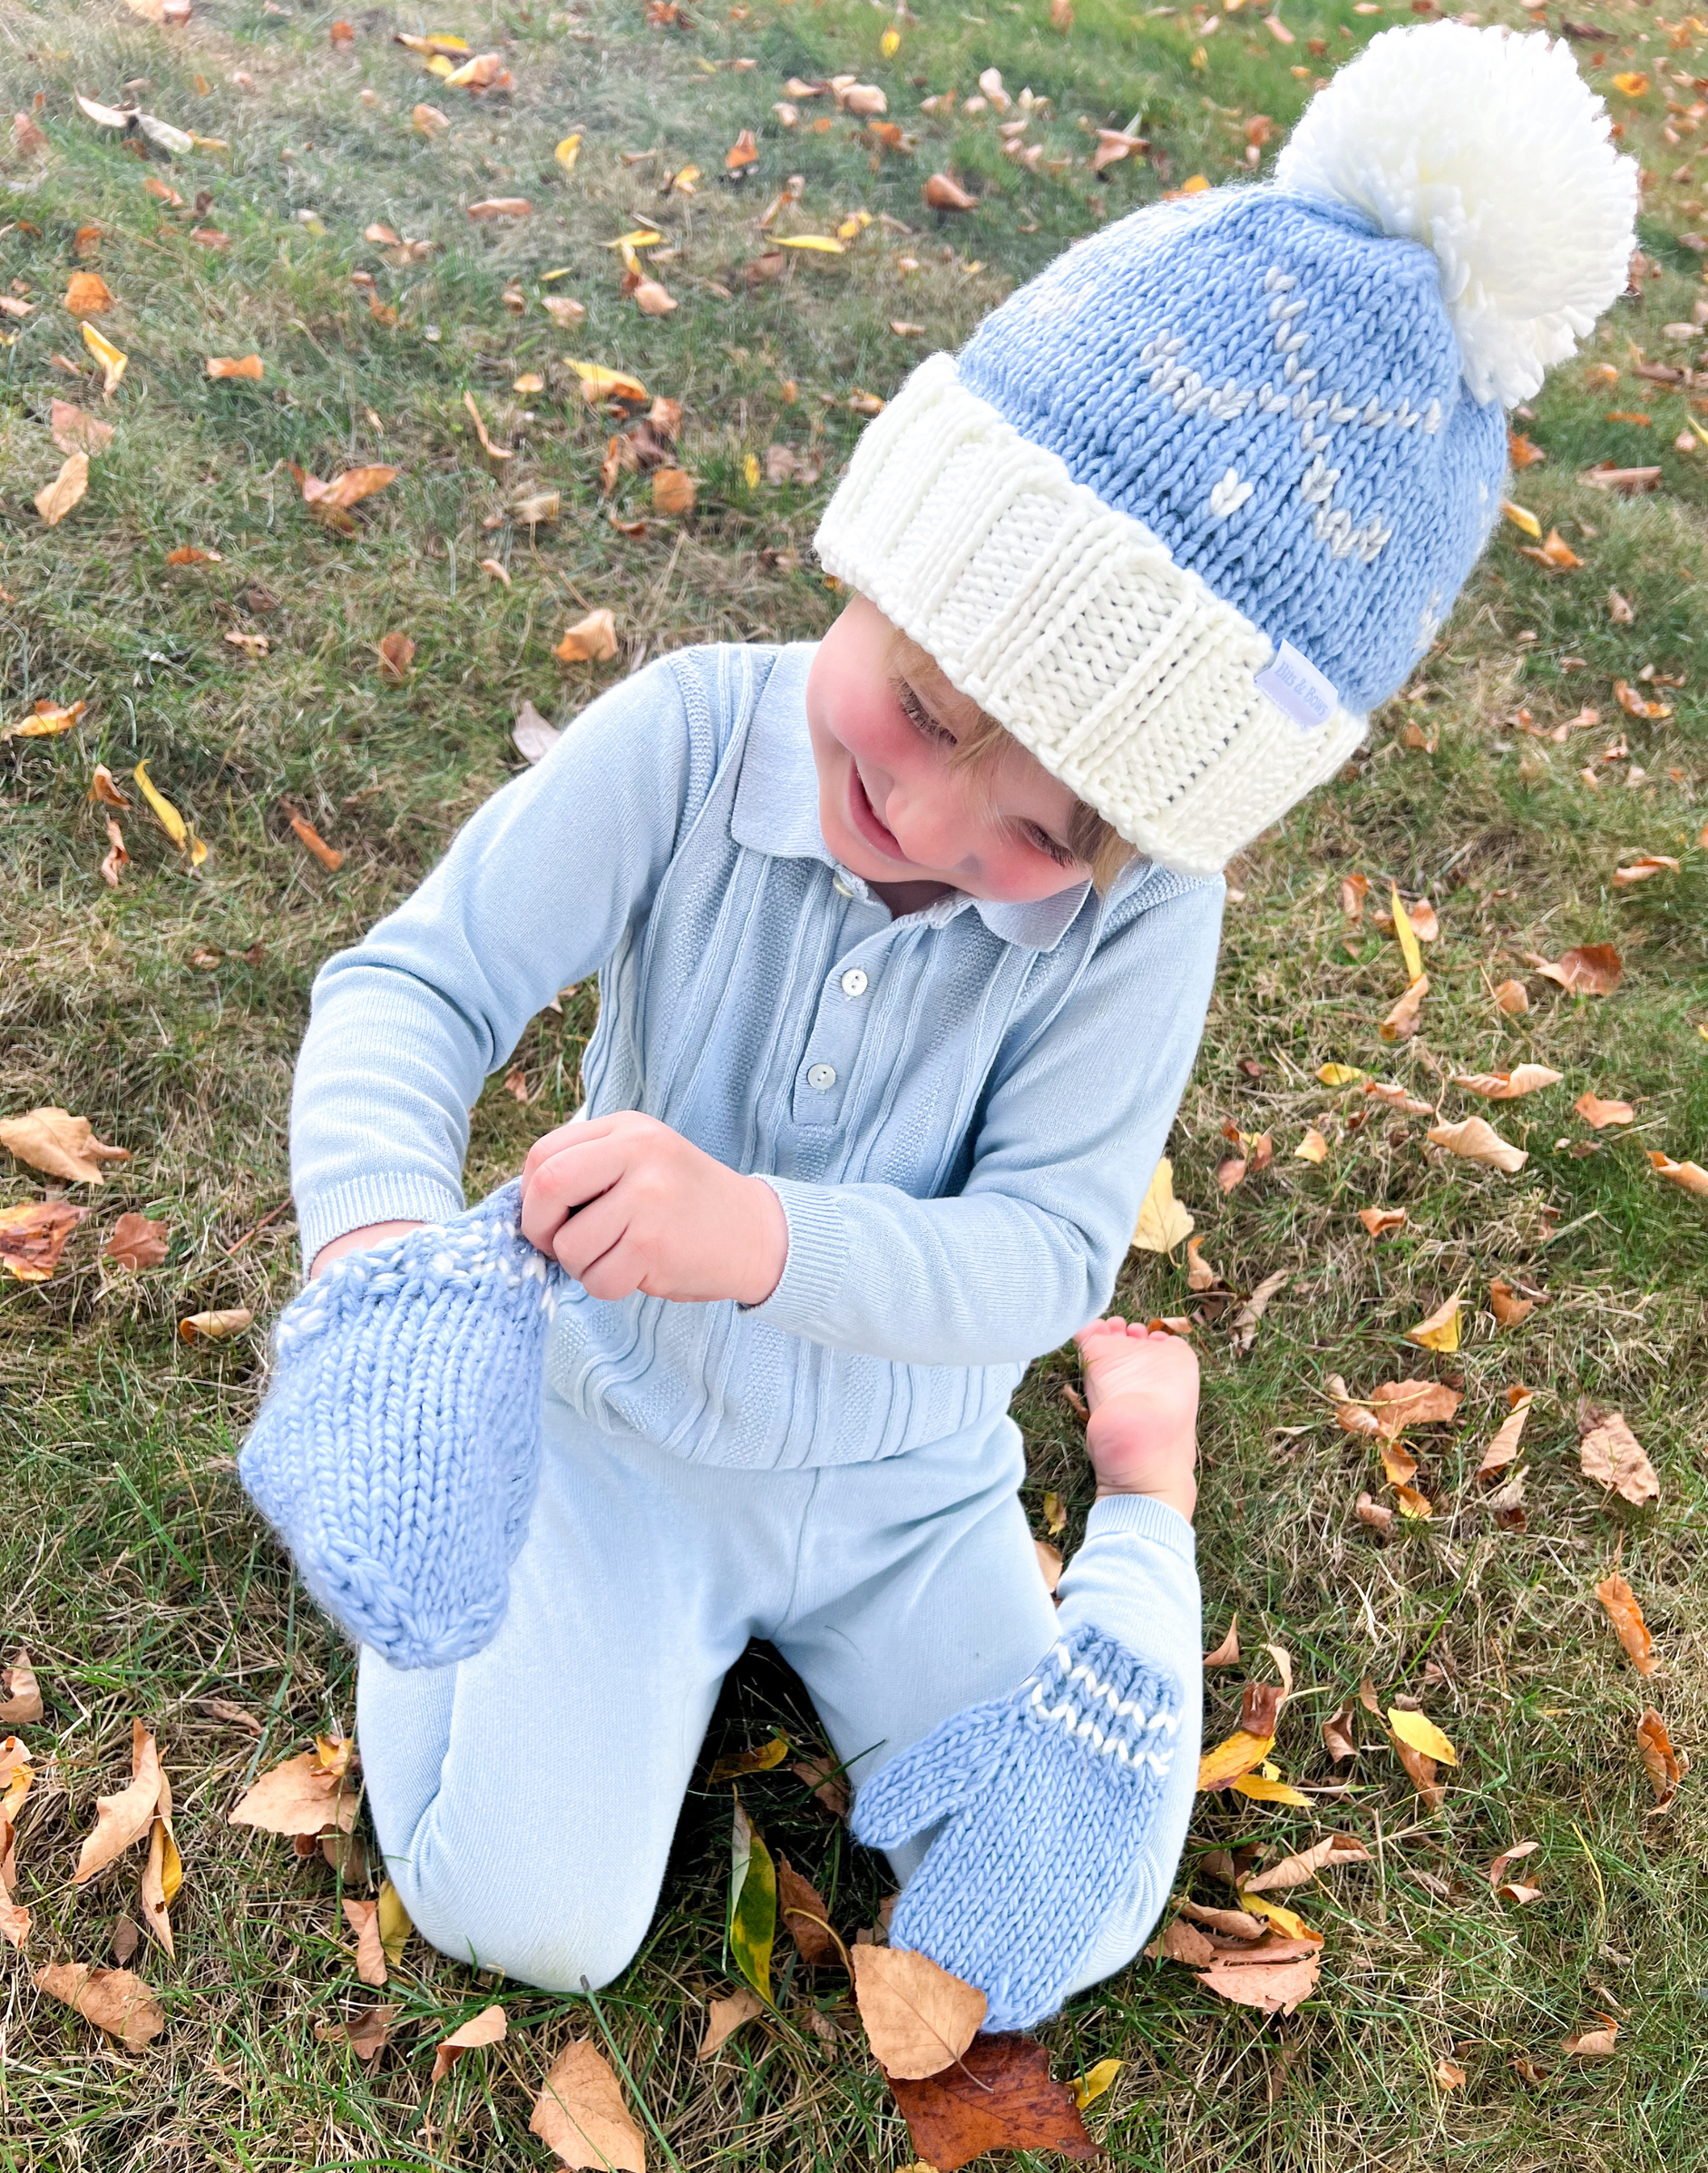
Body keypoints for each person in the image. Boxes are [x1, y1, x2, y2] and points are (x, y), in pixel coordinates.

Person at [239, 24, 1635, 2027]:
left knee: (1040, 1931)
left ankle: (1143, 1508)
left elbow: (1046, 1253)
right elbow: (415, 982)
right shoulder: (697, 730)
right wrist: (381, 1260)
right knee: (521, 1919)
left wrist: (769, 1239)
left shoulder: (1143, 926)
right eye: (936, 705)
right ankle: (483, 1500)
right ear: (885, 555)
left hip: (904, 1483)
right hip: (619, 1424)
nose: (938, 816)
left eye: (1051, 831)